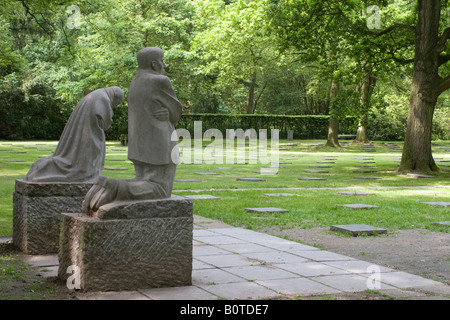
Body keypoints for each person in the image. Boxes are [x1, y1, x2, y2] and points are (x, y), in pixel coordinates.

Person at [82, 47, 183, 213]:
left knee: (143, 181)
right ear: (154, 63)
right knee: (160, 190)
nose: (164, 65)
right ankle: (116, 187)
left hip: (139, 147)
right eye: (162, 60)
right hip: (161, 145)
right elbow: (176, 110)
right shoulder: (160, 80)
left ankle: (107, 186)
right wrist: (169, 112)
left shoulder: (136, 81)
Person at [24, 86, 124, 183]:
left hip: (87, 129)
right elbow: (106, 122)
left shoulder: (96, 94)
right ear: (115, 97)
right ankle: (86, 174)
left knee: (81, 155)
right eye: (117, 103)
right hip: (89, 132)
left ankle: (88, 173)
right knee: (85, 157)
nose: (115, 106)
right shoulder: (104, 98)